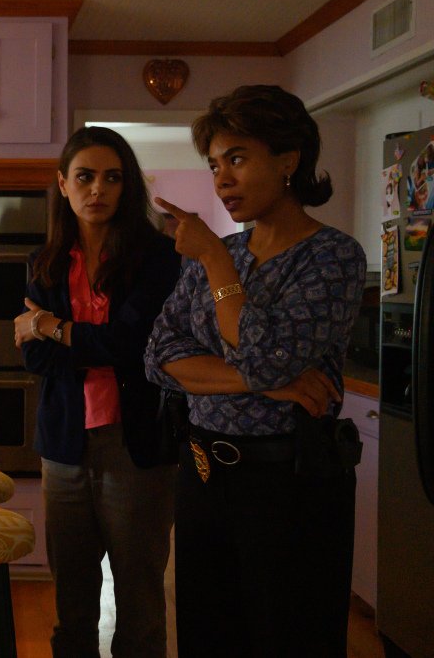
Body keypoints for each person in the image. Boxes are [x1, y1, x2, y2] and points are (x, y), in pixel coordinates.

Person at [144, 84, 366, 657]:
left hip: (290, 482)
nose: (222, 179)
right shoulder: (224, 249)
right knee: (206, 636)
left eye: (237, 159)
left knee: (288, 637)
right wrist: (273, 381)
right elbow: (159, 356)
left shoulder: (332, 256)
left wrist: (216, 259)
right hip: (202, 473)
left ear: (288, 160)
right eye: (215, 165)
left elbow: (264, 353)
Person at [14, 126, 181, 657]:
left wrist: (52, 327)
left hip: (137, 446)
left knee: (139, 606)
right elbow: (36, 358)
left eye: (113, 178)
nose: (98, 190)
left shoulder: (158, 257)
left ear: (127, 186)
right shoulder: (44, 262)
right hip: (64, 446)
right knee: (73, 607)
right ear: (63, 184)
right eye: (85, 177)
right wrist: (81, 340)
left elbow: (134, 344)